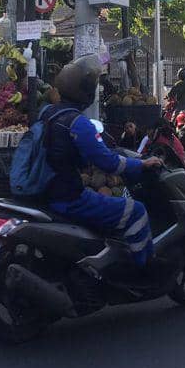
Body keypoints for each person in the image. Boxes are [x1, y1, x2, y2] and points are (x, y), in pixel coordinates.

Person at [44, 55, 162, 267]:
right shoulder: (78, 123)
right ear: (86, 93)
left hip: (46, 191)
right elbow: (108, 163)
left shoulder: (48, 113)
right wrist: (141, 164)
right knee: (136, 211)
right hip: (68, 197)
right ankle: (144, 270)